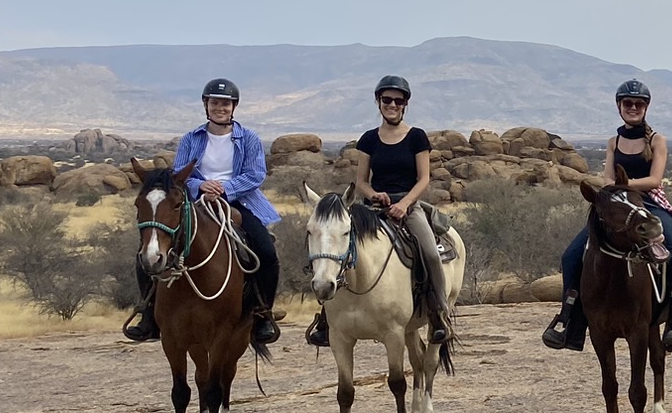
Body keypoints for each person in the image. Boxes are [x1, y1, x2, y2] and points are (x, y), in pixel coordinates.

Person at [121, 77, 281, 348]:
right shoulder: (191, 138)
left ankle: (262, 314)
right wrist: (200, 185)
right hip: (195, 202)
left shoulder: (249, 138)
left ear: (234, 107)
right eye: (215, 102)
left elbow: (256, 175)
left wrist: (225, 188)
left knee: (266, 252)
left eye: (226, 103)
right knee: (148, 252)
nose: (221, 108)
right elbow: (179, 176)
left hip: (240, 201)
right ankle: (148, 315)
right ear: (206, 105)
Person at [541, 80, 672, 352]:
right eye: (627, 103)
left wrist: (624, 186)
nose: (633, 108)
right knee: (571, 255)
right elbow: (608, 178)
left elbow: (655, 179)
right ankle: (570, 320)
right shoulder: (614, 142)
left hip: (649, 203)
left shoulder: (657, 140)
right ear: (619, 106)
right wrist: (618, 190)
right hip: (618, 206)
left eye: (638, 104)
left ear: (646, 107)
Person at [315, 75, 453, 347]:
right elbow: (362, 182)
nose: (392, 104)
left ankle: (438, 314)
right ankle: (325, 316)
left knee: (428, 253)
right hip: (373, 208)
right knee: (337, 247)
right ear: (378, 102)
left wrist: (404, 204)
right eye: (386, 99)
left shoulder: (416, 137)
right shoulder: (369, 139)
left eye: (397, 100)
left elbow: (423, 179)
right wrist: (373, 195)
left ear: (405, 105)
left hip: (408, 207)